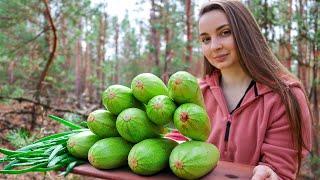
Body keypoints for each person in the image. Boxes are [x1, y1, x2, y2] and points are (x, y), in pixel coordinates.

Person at [197, 0, 312, 180]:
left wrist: (270, 173)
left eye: (225, 32)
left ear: (246, 33)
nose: (214, 46)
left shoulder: (285, 96)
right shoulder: (197, 93)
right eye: (206, 39)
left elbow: (279, 170)